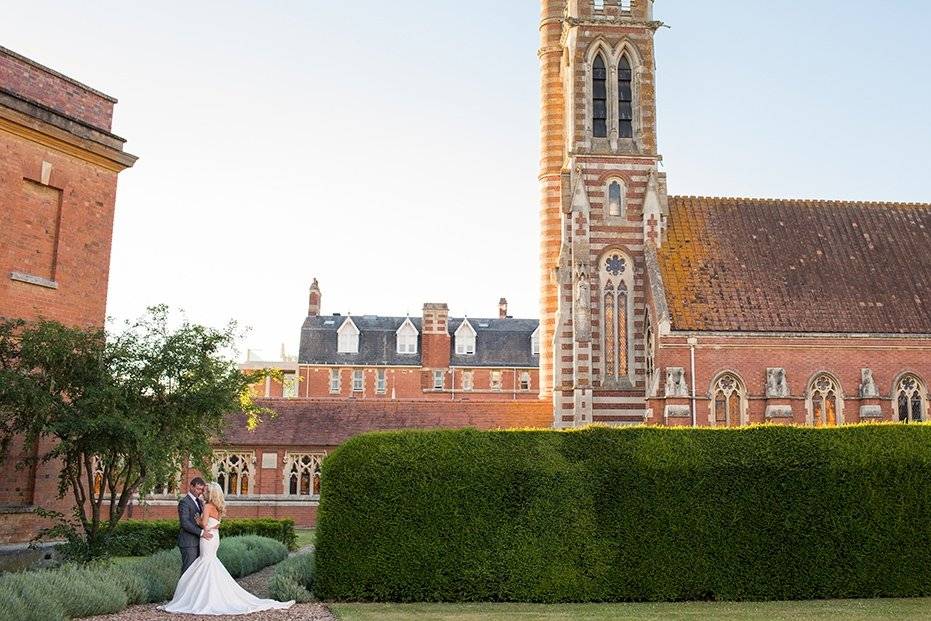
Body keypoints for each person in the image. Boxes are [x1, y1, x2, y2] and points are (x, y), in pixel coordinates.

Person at [159, 482, 295, 615]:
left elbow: (204, 524)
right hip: (213, 537)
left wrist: (198, 521)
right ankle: (204, 596)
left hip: (207, 538)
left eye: (205, 491)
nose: (202, 493)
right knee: (208, 564)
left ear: (210, 493)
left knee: (205, 564)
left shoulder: (207, 506)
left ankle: (200, 598)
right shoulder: (217, 507)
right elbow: (216, 524)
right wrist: (208, 525)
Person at [177, 477, 211, 575]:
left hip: (199, 542)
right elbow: (185, 523)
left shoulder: (200, 502)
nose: (199, 492)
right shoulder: (184, 502)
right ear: (191, 486)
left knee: (196, 573)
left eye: (201, 489)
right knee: (188, 572)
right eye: (197, 489)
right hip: (188, 543)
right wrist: (201, 533)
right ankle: (182, 591)